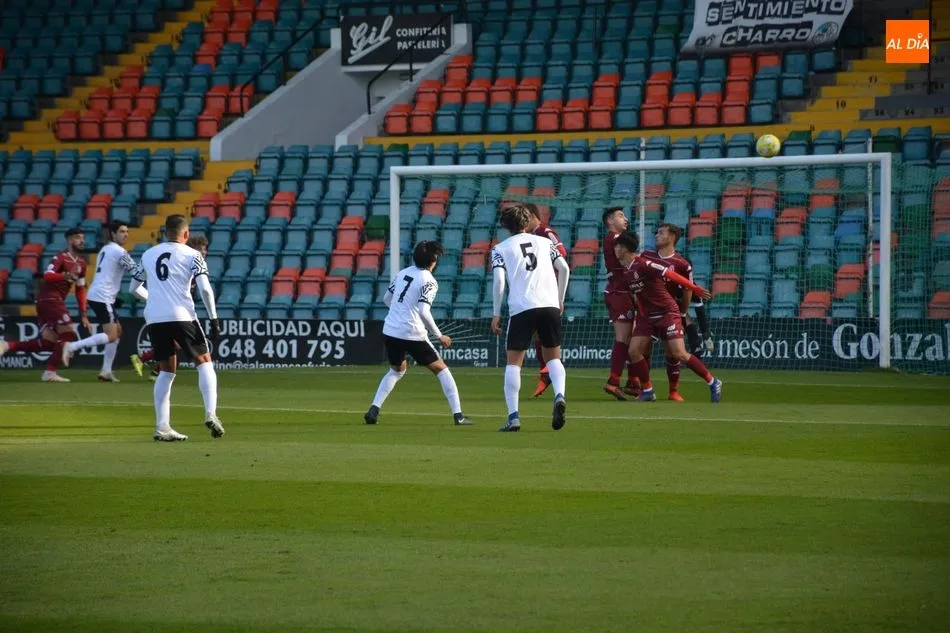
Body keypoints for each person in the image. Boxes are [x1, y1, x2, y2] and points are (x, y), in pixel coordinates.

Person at [129, 215, 224, 442]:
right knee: (204, 361)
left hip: (155, 317)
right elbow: (205, 289)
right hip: (182, 315)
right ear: (186, 234)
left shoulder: (149, 254)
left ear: (165, 232)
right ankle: (211, 413)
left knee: (166, 370)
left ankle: (163, 427)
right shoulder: (193, 255)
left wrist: (154, 300)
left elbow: (133, 288)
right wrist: (214, 319)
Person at [364, 241, 472, 426]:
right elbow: (423, 311)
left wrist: (400, 313)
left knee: (397, 370)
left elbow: (386, 298)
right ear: (433, 261)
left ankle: (374, 409)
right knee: (442, 369)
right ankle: (458, 416)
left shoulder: (402, 273)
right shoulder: (429, 281)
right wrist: (439, 335)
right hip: (412, 332)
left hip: (391, 330)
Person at [612, 231, 722, 403]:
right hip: (647, 317)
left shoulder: (644, 263)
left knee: (679, 353)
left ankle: (713, 381)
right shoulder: (626, 271)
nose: (615, 249)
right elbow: (637, 297)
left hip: (667, 312)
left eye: (617, 246)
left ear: (624, 248)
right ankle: (648, 390)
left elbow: (670, 274)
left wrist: (694, 288)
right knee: (634, 351)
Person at [490, 205, 570, 432]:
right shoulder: (545, 242)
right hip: (549, 305)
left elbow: (499, 282)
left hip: (522, 307)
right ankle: (559, 395)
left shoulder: (500, 249)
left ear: (505, 226)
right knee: (553, 358)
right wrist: (559, 299)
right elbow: (564, 268)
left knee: (514, 363)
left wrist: (496, 313)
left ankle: (513, 417)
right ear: (527, 222)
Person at [0, 227, 87, 382]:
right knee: (69, 333)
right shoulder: (60, 257)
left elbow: (80, 289)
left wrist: (84, 313)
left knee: (50, 342)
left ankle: (8, 345)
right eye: (78, 238)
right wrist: (64, 276)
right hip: (50, 298)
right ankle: (52, 369)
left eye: (82, 238)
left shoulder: (82, 264)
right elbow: (47, 276)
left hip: (48, 302)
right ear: (69, 240)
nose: (82, 241)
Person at [61, 221, 137, 381]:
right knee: (112, 335)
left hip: (100, 295)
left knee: (117, 331)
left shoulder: (106, 249)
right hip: (103, 296)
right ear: (113, 234)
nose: (126, 235)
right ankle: (72, 346)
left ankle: (106, 371)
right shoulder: (119, 252)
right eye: (122, 231)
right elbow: (136, 271)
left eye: (127, 231)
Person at [131, 234, 209, 381]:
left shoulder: (193, 266)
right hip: (173, 312)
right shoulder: (185, 262)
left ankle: (154, 370)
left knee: (173, 347)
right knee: (180, 347)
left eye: (205, 249)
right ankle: (146, 362)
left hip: (167, 312)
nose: (203, 252)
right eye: (200, 249)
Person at [520, 203, 570, 399]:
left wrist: (558, 296)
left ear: (533, 216)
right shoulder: (531, 235)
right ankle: (546, 371)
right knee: (536, 333)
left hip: (548, 290)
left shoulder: (545, 232)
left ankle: (548, 371)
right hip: (538, 289)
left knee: (544, 334)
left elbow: (562, 254)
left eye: (526, 217)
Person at [640, 223, 694, 401]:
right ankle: (645, 389)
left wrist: (682, 313)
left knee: (672, 352)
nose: (657, 235)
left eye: (661, 233)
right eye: (657, 232)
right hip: (647, 312)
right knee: (641, 349)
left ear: (671, 237)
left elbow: (688, 290)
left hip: (668, 313)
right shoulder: (646, 256)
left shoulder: (682, 264)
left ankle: (673, 391)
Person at [601, 207, 641, 400]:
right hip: (620, 292)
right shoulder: (615, 238)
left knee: (632, 338)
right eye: (620, 216)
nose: (625, 219)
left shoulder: (612, 238)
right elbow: (628, 259)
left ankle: (633, 382)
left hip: (622, 291)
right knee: (624, 338)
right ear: (610, 221)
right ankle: (613, 381)